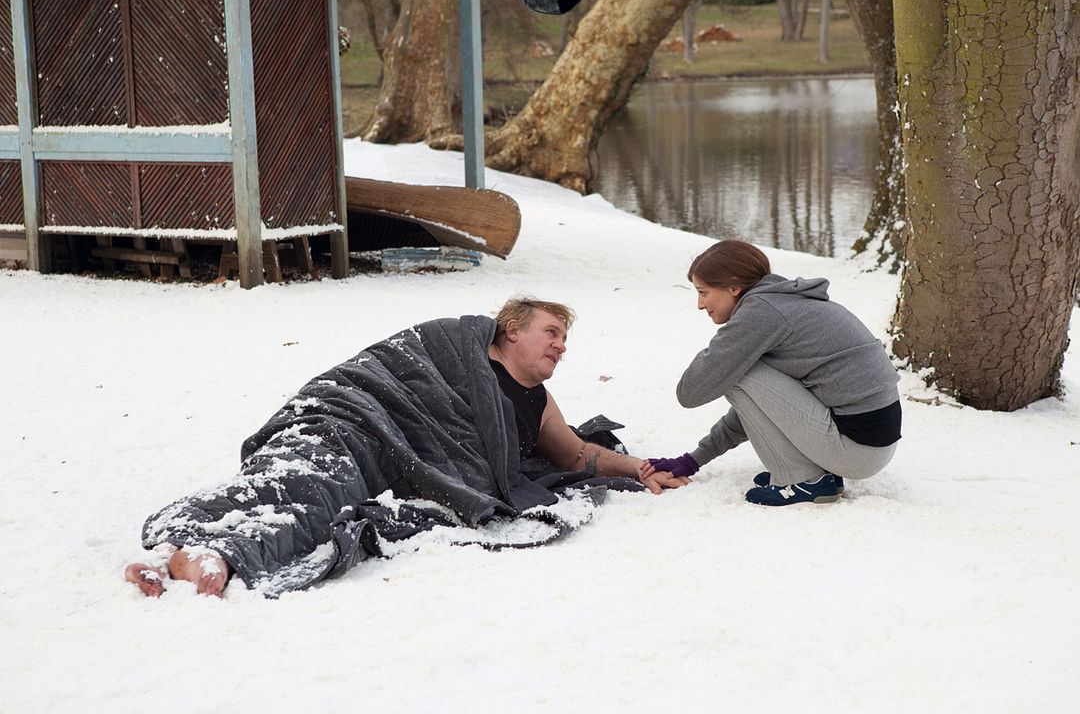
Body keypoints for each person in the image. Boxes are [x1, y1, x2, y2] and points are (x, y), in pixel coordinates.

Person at [126, 297, 686, 597]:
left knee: (325, 497)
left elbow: (576, 456)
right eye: (552, 333)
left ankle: (218, 554)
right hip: (345, 416)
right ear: (511, 328)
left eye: (565, 339)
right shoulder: (451, 342)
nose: (561, 347)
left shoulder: (538, 402)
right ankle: (180, 542)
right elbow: (385, 373)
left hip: (382, 456)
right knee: (287, 474)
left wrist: (638, 466)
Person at [640, 240, 901, 506]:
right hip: (869, 447)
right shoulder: (781, 304)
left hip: (857, 450)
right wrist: (693, 459)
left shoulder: (762, 313)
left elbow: (691, 391)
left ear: (733, 286)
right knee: (735, 368)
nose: (699, 304)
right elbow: (764, 405)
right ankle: (815, 472)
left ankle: (804, 479)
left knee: (731, 369)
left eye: (703, 292)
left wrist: (724, 344)